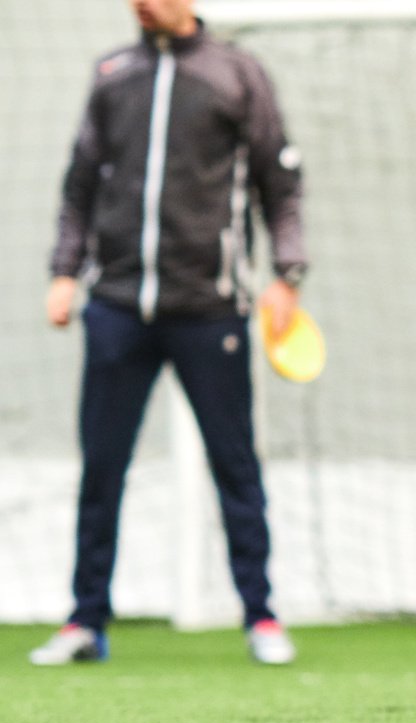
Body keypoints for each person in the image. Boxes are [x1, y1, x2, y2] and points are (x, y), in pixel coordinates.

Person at [32, 0, 307, 667]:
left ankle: (261, 615)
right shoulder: (112, 73)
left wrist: (287, 274)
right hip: (117, 307)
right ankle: (85, 621)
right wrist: (65, 272)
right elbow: (78, 188)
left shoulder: (237, 73)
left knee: (235, 466)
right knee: (103, 467)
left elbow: (282, 184)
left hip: (210, 309)